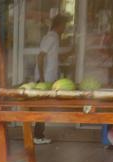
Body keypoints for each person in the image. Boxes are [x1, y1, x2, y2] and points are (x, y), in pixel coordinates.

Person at [33, 14, 69, 145]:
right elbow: (40, 57)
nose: (65, 29)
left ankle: (39, 135)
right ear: (59, 25)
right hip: (45, 80)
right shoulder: (51, 37)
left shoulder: (53, 37)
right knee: (42, 108)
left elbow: (51, 58)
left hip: (48, 79)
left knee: (43, 108)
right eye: (64, 26)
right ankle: (38, 136)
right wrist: (41, 78)